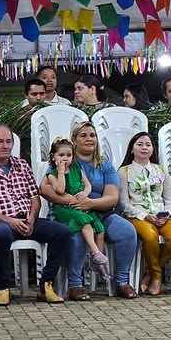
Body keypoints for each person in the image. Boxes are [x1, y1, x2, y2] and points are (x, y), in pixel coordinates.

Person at [0, 125, 68, 306]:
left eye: (9, 141)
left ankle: (46, 285)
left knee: (62, 232)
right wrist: (10, 221)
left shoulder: (22, 165)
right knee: (1, 233)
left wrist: (31, 219)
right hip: (0, 221)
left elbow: (34, 197)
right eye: (0, 141)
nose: (5, 146)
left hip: (27, 219)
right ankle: (4, 288)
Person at [39, 122, 137, 301]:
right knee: (76, 232)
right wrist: (72, 201)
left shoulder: (104, 164)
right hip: (69, 211)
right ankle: (75, 284)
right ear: (74, 140)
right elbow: (44, 189)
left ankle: (122, 281)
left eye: (92, 135)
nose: (89, 139)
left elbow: (112, 197)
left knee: (127, 231)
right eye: (83, 135)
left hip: (100, 211)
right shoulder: (65, 159)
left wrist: (90, 203)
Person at [118, 132, 171, 296]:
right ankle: (157, 276)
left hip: (161, 215)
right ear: (132, 149)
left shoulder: (161, 170)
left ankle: (150, 272)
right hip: (137, 215)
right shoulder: (124, 172)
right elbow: (123, 203)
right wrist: (145, 216)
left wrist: (168, 214)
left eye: (148, 145)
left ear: (153, 149)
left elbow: (170, 199)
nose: (144, 148)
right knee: (150, 235)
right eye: (140, 144)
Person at [42, 139, 109, 279]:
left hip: (81, 205)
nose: (65, 158)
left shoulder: (76, 168)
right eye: (61, 155)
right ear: (53, 157)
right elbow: (60, 190)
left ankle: (98, 263)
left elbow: (87, 185)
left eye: (69, 155)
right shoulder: (52, 174)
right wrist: (61, 172)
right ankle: (95, 252)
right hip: (64, 209)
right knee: (84, 221)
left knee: (100, 228)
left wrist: (85, 193)